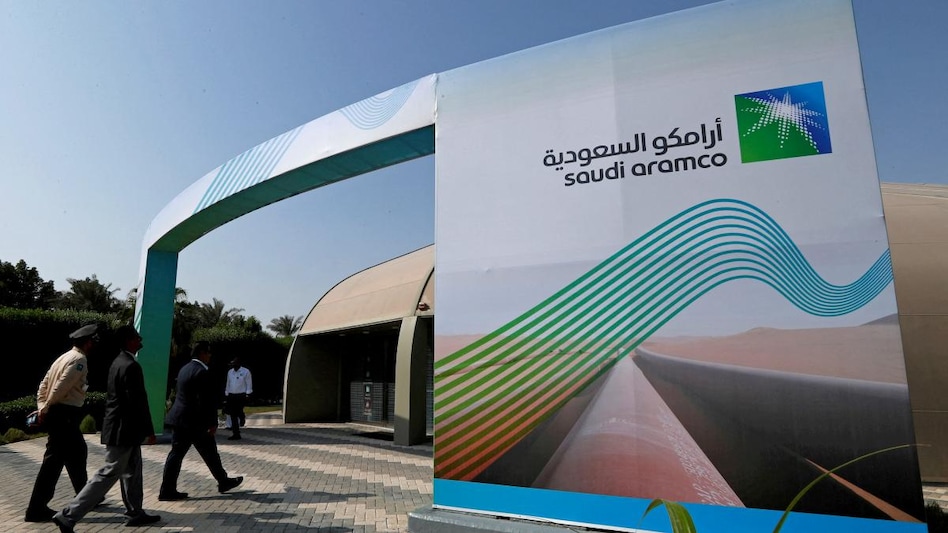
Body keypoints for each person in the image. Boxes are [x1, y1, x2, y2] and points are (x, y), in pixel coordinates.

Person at [53, 325, 161, 532]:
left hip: (121, 429)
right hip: (124, 430)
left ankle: (135, 512)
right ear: (129, 341)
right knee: (109, 473)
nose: (141, 340)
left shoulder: (118, 362)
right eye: (138, 337)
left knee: (133, 470)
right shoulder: (130, 366)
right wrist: (149, 430)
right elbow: (137, 402)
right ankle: (68, 515)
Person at [24, 324, 98, 523]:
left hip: (59, 413)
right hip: (64, 414)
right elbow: (60, 387)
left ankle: (85, 497)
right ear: (88, 342)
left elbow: (44, 384)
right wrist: (45, 409)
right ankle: (36, 509)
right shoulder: (79, 360)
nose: (93, 344)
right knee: (53, 463)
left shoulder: (63, 357)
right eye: (93, 341)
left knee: (77, 453)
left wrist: (42, 406)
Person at [159, 341, 243, 501]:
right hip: (193, 422)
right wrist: (212, 423)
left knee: (205, 452)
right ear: (202, 353)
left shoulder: (185, 369)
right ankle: (167, 491)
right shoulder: (202, 372)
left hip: (182, 419)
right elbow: (206, 401)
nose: (210, 356)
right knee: (184, 454)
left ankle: (223, 481)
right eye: (208, 353)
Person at [224, 356, 252, 440]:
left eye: (235, 364)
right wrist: (227, 392)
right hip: (232, 395)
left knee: (238, 411)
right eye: (233, 364)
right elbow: (228, 382)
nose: (234, 366)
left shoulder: (245, 371)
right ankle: (236, 433)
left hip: (241, 395)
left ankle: (242, 416)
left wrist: (248, 393)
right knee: (233, 414)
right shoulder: (230, 372)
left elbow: (248, 383)